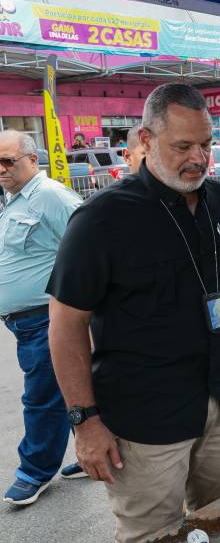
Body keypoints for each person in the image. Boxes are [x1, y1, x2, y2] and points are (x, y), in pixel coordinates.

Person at [46, 83, 220, 541]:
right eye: (183, 146)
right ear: (145, 140)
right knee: (153, 533)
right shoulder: (100, 220)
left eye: (205, 145)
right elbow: (66, 326)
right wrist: (85, 423)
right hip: (146, 417)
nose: (199, 158)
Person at [0, 130, 83, 505]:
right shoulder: (14, 200)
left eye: (7, 161)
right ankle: (99, 449)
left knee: (42, 398)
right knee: (74, 389)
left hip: (48, 319)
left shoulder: (50, 196)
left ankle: (34, 471)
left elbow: (91, 247)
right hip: (25, 323)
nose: (1, 169)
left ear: (33, 160)